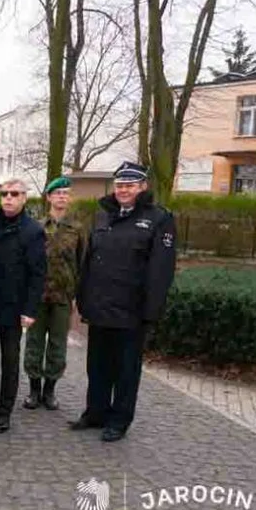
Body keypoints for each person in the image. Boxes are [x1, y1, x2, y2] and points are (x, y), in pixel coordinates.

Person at [71, 162, 176, 442]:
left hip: (132, 311)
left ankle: (119, 420)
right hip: (100, 307)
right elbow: (88, 262)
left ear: (143, 187)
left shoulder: (159, 219)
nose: (124, 190)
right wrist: (83, 299)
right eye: (120, 185)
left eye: (130, 185)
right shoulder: (103, 216)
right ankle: (96, 412)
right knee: (97, 365)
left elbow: (161, 270)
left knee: (126, 370)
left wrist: (151, 311)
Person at [0, 178, 47, 434]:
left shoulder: (33, 231)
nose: (8, 197)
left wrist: (30, 310)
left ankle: (4, 412)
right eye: (4, 193)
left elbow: (38, 274)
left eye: (14, 193)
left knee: (10, 360)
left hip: (13, 305)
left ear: (24, 198)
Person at [23, 176, 85, 411]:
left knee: (58, 345)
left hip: (62, 296)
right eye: (57, 193)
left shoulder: (77, 228)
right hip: (37, 296)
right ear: (48, 197)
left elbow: (82, 262)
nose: (61, 197)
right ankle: (33, 391)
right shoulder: (36, 227)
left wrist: (77, 294)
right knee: (34, 343)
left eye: (65, 193)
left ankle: (50, 391)